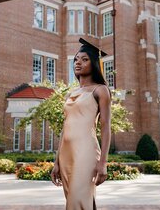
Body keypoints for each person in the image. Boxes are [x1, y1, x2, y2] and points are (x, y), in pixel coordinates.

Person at [51, 37, 112, 210]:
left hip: (86, 151)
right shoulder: (70, 93)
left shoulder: (100, 90)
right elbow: (65, 129)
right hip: (66, 154)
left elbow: (106, 127)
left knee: (77, 201)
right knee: (78, 199)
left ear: (93, 63)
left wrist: (103, 162)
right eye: (76, 59)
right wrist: (56, 162)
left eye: (84, 59)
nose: (78, 63)